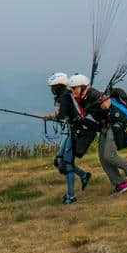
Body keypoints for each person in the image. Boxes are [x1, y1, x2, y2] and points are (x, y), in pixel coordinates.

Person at [72, 76, 127, 195]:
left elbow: (106, 101)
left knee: (109, 155)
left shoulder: (94, 94)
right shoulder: (82, 100)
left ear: (83, 87)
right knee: (103, 159)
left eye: (74, 88)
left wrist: (106, 104)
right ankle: (120, 183)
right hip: (104, 126)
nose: (73, 90)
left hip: (116, 125)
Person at [44, 72, 91, 205]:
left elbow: (62, 115)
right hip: (69, 132)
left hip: (73, 132)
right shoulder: (64, 96)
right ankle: (84, 175)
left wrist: (54, 117)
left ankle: (71, 196)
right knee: (60, 161)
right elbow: (63, 115)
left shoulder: (64, 97)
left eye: (53, 87)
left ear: (59, 86)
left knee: (66, 164)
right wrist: (50, 117)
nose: (52, 90)